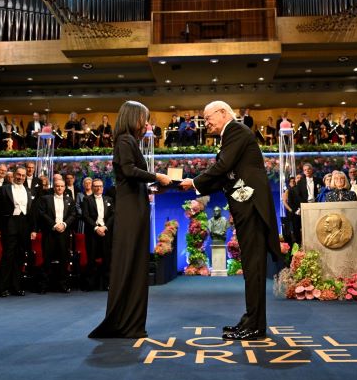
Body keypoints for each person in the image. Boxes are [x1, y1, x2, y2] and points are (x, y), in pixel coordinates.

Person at [180, 100, 281, 341]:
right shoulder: (231, 136)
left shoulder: (235, 130)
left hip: (252, 210)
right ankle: (251, 319)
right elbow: (223, 176)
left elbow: (222, 166)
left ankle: (255, 326)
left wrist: (194, 182)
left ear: (223, 113)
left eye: (208, 118)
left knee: (254, 269)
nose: (206, 124)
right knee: (250, 268)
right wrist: (193, 187)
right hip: (246, 209)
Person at [88, 101, 171, 339]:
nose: (147, 123)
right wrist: (157, 176)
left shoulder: (129, 141)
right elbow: (128, 170)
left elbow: (132, 180)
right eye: (144, 118)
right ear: (133, 118)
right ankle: (125, 323)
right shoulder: (125, 140)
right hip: (130, 212)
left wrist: (154, 187)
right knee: (130, 264)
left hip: (135, 207)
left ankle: (130, 323)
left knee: (135, 265)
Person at [0, 167, 34, 297]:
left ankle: (16, 287)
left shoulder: (28, 191)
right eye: (18, 175)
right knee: (7, 257)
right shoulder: (3, 189)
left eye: (23, 176)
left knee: (20, 257)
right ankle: (2, 288)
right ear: (13, 175)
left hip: (24, 226)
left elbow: (31, 212)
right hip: (9, 225)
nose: (21, 177)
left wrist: (32, 229)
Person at [36, 178, 76, 294]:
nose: (60, 188)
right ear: (54, 187)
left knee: (64, 259)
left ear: (65, 188)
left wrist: (64, 224)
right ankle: (44, 285)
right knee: (47, 258)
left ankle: (63, 285)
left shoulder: (70, 200)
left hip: (64, 232)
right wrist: (54, 225)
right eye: (57, 186)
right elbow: (42, 214)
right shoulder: (45, 199)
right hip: (49, 232)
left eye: (62, 186)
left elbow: (73, 214)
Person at [82, 178, 115, 291]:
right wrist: (96, 228)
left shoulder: (109, 199)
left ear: (103, 187)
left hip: (106, 232)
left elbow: (113, 215)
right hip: (92, 233)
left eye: (100, 186)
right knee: (91, 259)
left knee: (107, 258)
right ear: (92, 187)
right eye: (96, 186)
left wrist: (104, 227)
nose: (98, 188)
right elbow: (85, 216)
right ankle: (90, 284)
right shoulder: (87, 199)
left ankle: (107, 284)